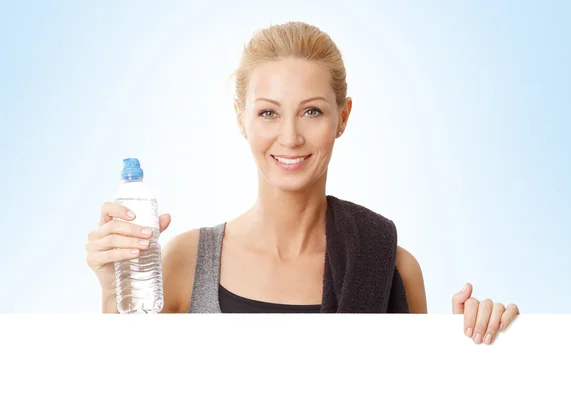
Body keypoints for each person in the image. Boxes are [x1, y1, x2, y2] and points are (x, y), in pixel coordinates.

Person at [85, 21, 519, 344]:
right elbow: (125, 382)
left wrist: (472, 344)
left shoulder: (392, 268)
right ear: (242, 119)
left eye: (311, 111)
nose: (289, 137)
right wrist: (112, 291)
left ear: (342, 117)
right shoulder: (184, 262)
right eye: (268, 113)